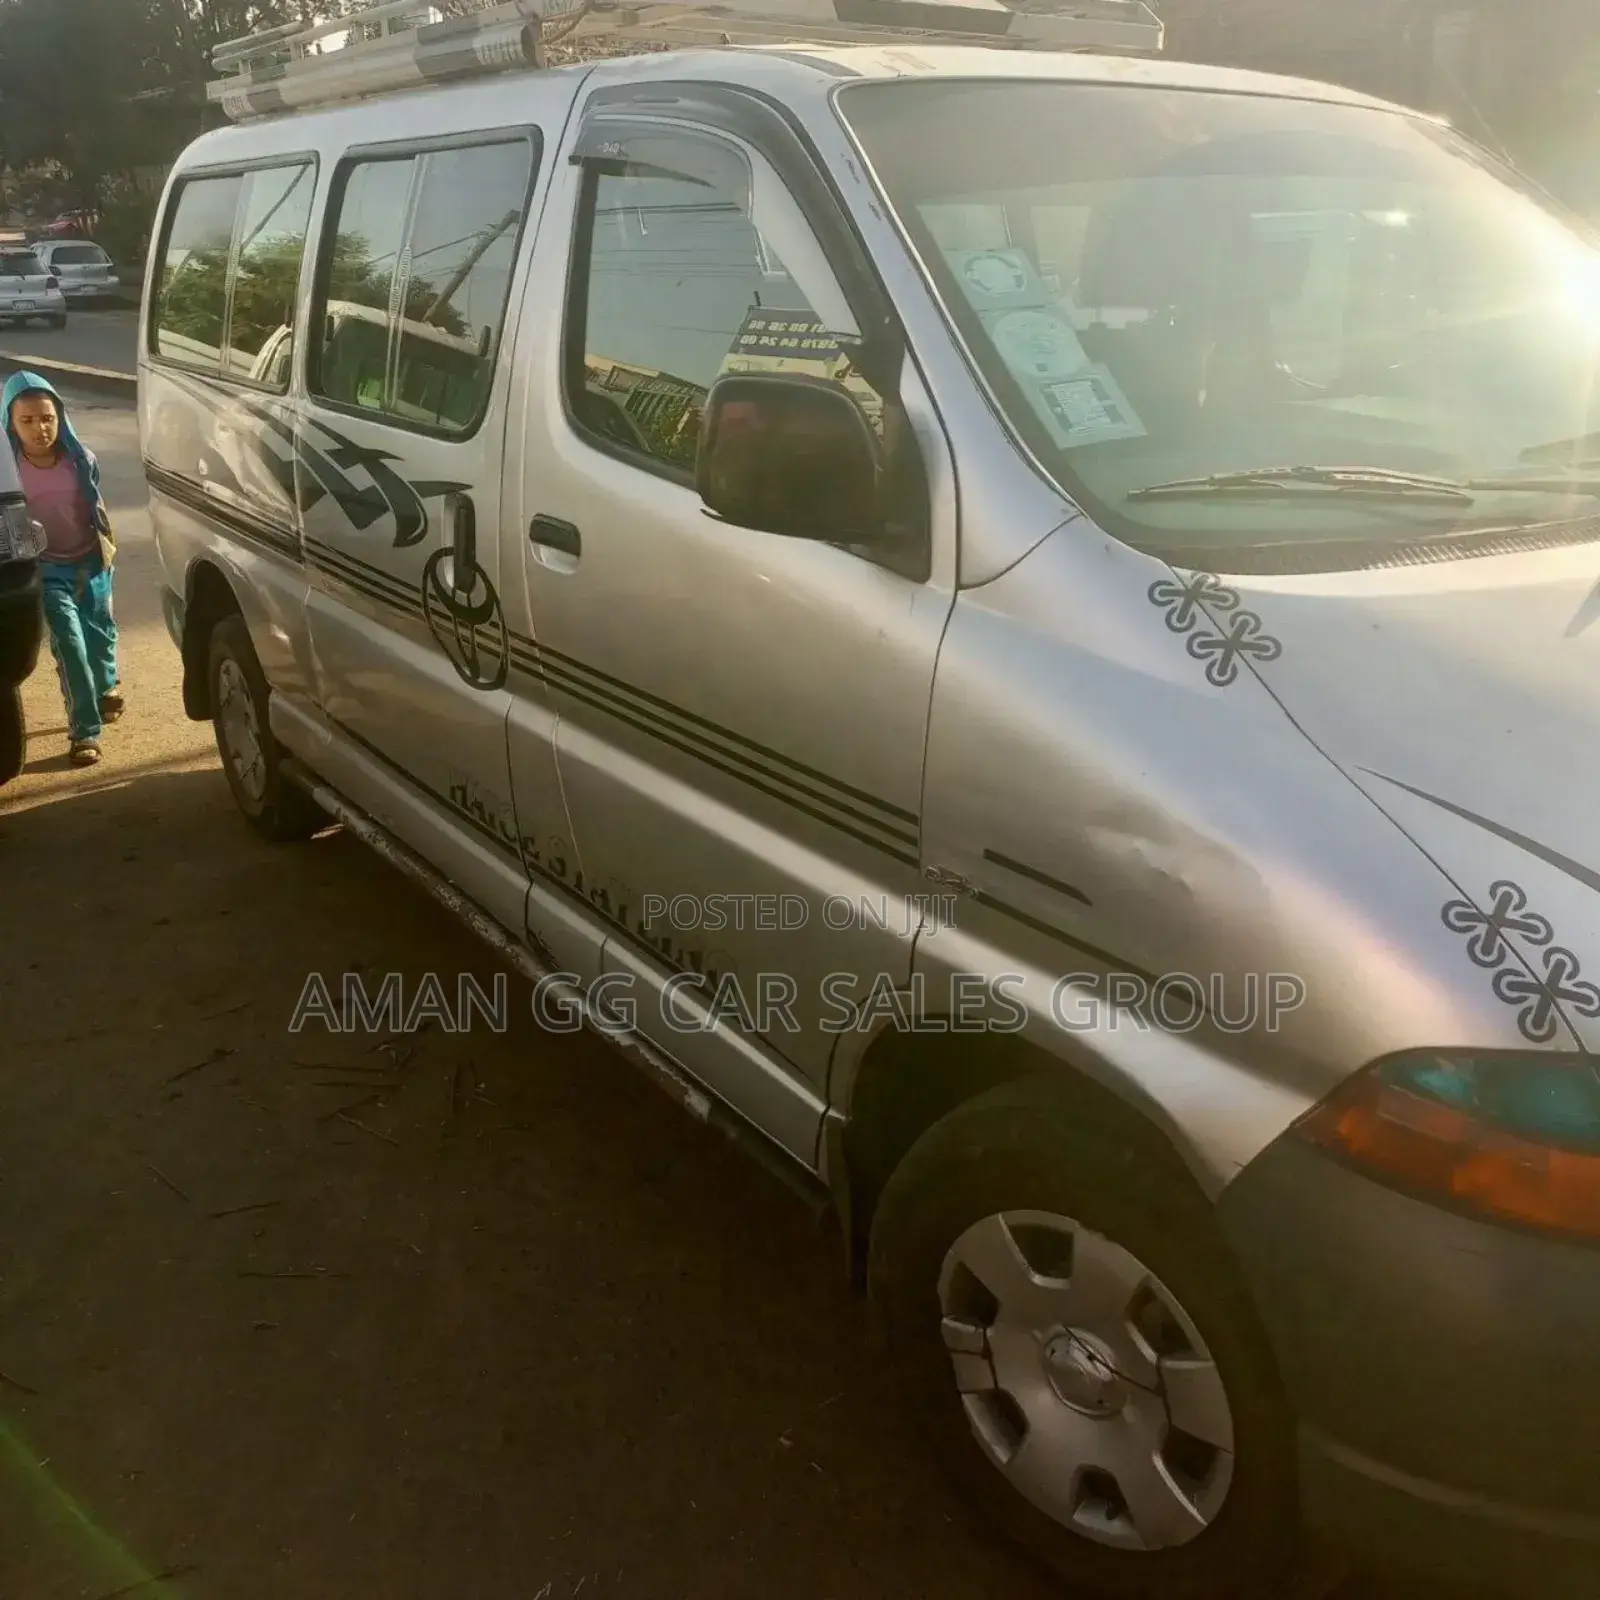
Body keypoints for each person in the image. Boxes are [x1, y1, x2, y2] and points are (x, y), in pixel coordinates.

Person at [3, 370, 119, 766]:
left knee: (100, 639)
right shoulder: (9, 472)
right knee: (70, 646)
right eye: (27, 420)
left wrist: (105, 553)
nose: (40, 429)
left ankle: (106, 689)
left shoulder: (82, 459)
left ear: (60, 417)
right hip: (47, 571)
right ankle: (85, 732)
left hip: (91, 564)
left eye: (47, 418)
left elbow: (96, 509)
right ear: (10, 424)